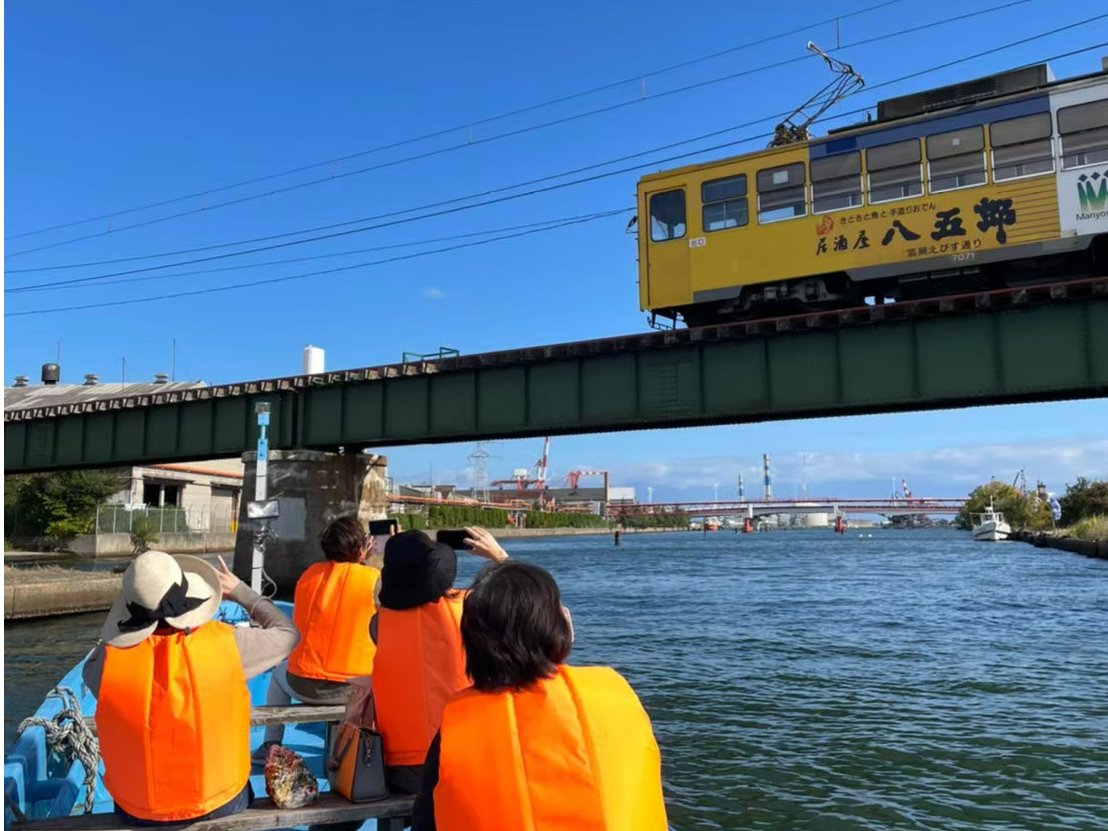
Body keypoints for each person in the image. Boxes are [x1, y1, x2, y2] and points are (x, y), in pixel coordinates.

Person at [412, 560, 668, 831]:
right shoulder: (615, 694)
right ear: (559, 626)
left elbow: (426, 820)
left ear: (472, 643)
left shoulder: (457, 724)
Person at [84, 551, 298, 825]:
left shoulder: (105, 663)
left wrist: (123, 625)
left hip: (137, 809)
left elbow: (102, 651)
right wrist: (242, 593)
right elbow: (288, 634)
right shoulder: (229, 644)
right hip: (219, 801)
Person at [371, 525, 507, 793]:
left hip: (402, 770)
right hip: (462, 762)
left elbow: (400, 595)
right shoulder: (472, 610)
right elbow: (533, 605)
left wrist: (402, 552)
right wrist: (500, 559)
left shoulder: (379, 623)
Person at [254, 516, 380, 758]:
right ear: (360, 549)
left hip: (301, 684)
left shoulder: (308, 575)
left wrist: (360, 557)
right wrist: (369, 559)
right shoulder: (373, 579)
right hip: (350, 690)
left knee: (278, 673)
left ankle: (270, 745)